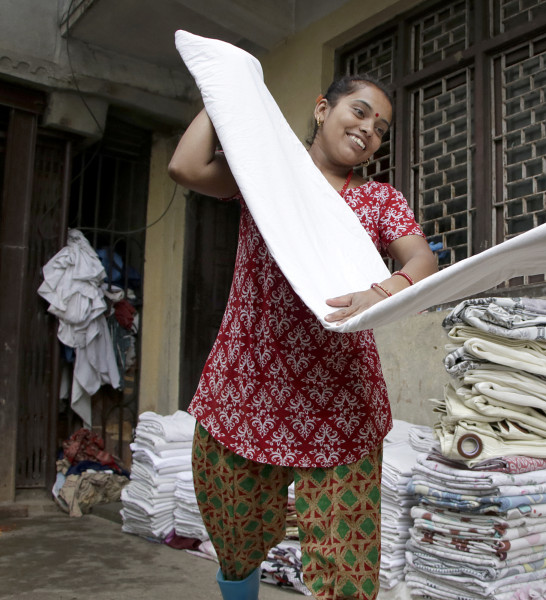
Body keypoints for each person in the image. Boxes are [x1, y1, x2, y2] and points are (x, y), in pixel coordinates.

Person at [167, 74, 438, 600]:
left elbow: (421, 259)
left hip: (338, 398)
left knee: (346, 562)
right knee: (236, 536)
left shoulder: (379, 201)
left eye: (380, 128)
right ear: (322, 109)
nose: (367, 131)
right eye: (359, 113)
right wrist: (219, 88)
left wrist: (385, 289)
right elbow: (187, 167)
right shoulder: (266, 174)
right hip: (247, 389)